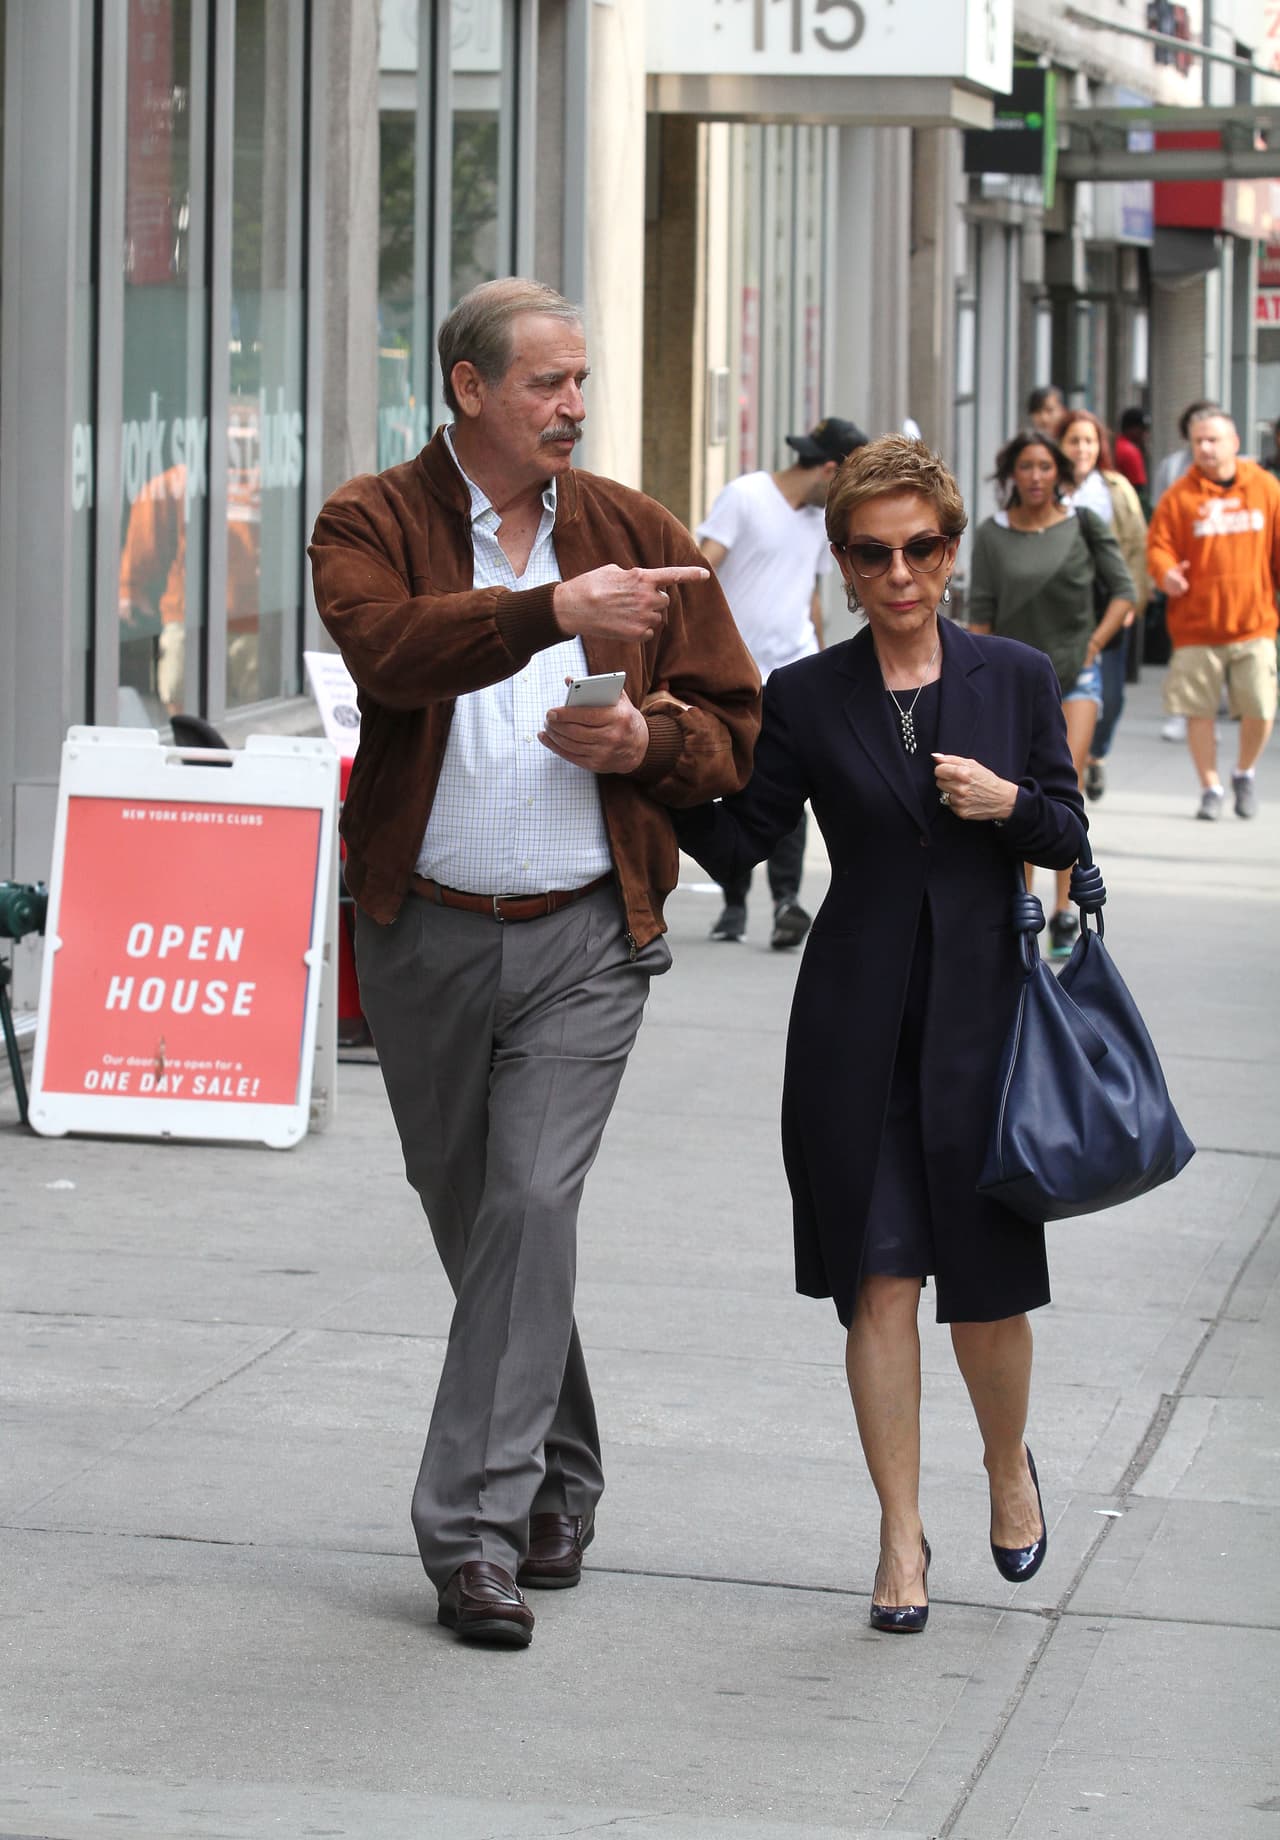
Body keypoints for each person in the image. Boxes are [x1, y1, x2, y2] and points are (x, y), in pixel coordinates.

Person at [308, 278, 760, 1648]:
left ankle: (473, 1536)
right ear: (467, 387)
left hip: (582, 936)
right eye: (546, 384)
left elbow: (738, 727)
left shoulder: (637, 531)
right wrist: (552, 612)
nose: (575, 405)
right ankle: (564, 1474)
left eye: (581, 382)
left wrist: (656, 745)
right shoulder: (369, 519)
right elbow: (388, 656)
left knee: (530, 1203)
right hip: (422, 930)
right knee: (485, 1224)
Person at [674, 436, 1086, 1633]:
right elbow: (740, 839)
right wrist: (645, 758)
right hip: (854, 1024)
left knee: (987, 1294)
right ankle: (897, 1537)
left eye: (920, 547)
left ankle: (1005, 1468)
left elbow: (1065, 833)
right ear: (840, 563)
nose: (898, 571)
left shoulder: (1011, 675)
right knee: (879, 1281)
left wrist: (1012, 806)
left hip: (985, 1024)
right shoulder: (806, 694)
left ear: (950, 552)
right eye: (871, 552)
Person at [696, 415, 868, 948]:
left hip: (791, 671)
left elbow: (812, 593)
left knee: (793, 789)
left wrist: (821, 658)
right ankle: (733, 904)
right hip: (732, 674)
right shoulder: (746, 497)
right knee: (733, 780)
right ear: (831, 468)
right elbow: (702, 568)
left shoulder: (822, 521)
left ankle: (787, 902)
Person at [967, 430, 1134, 954]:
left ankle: (1067, 907)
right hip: (1013, 680)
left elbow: (1125, 591)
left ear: (1060, 473)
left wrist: (1097, 643)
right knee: (1017, 791)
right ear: (1011, 475)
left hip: (1074, 674)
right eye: (1026, 467)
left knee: (1063, 784)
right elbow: (983, 614)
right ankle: (1025, 906)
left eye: (1045, 467)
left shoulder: (1085, 524)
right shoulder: (993, 535)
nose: (1036, 477)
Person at [1146, 406, 1280, 820]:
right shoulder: (1180, 496)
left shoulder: (1265, 488)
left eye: (1213, 439)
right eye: (1198, 440)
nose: (1205, 447)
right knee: (1198, 712)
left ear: (1234, 443)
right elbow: (1158, 547)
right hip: (1196, 628)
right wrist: (1167, 574)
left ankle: (1243, 772)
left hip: (1254, 623)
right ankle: (1210, 786)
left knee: (1261, 706)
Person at [1059, 409, 1149, 801]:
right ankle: (1070, 762)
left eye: (1089, 441)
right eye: (1074, 440)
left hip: (1106, 608)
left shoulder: (1115, 489)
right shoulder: (1046, 486)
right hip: (1061, 612)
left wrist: (1131, 602)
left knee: (1110, 697)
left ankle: (1096, 755)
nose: (1082, 449)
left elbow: (1136, 545)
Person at [1113, 406, 1151, 506]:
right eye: (1142, 429)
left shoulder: (1116, 444)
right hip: (1126, 504)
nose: (1145, 434)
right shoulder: (1130, 451)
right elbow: (1138, 490)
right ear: (1131, 428)